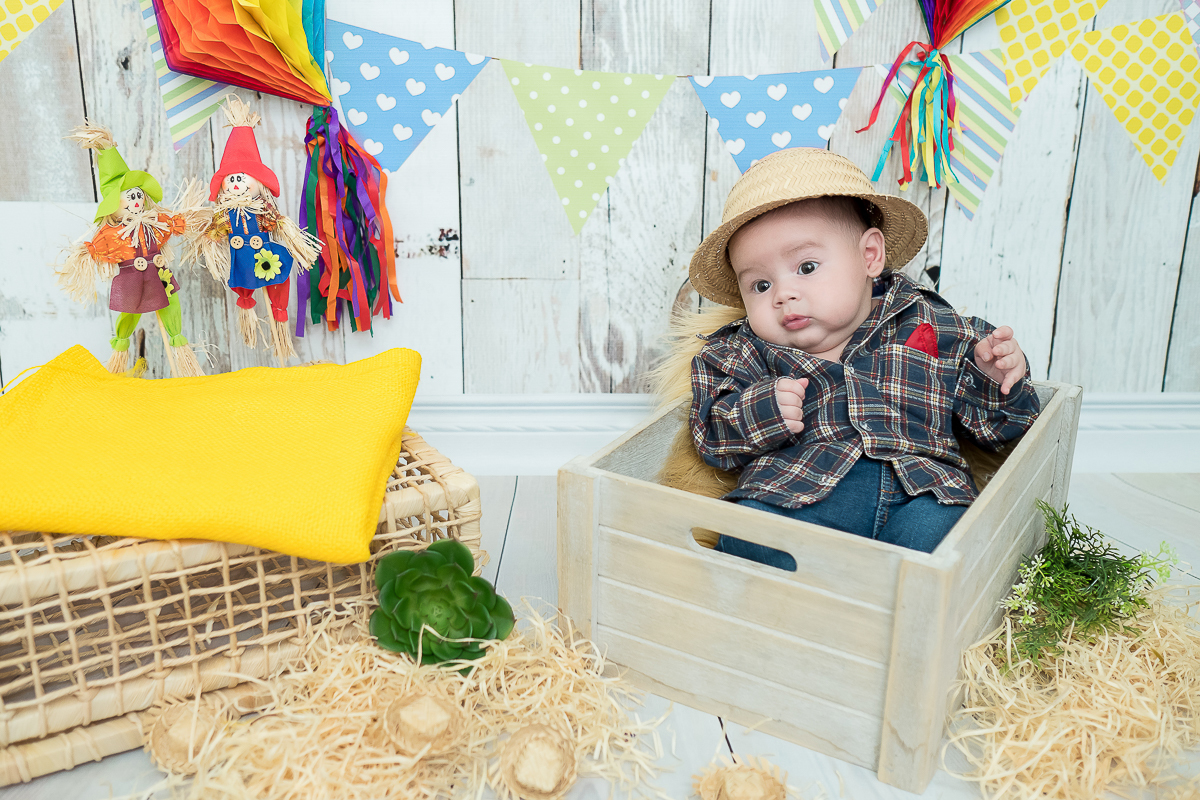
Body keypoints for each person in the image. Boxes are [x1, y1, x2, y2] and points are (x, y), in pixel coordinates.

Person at [687, 147, 1039, 565]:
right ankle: (801, 611)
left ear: (869, 256)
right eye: (761, 286)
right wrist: (763, 409)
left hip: (923, 491)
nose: (783, 294)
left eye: (806, 267)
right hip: (799, 491)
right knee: (754, 532)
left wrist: (993, 375)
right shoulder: (742, 350)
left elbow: (1001, 429)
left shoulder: (932, 323)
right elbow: (711, 435)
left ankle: (895, 605)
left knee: (952, 543)